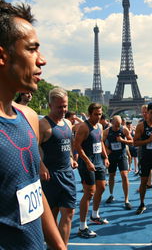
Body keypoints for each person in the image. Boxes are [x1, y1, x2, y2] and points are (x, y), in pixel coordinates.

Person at [0, 0, 65, 250]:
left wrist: (59, 245)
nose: (42, 60)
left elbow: (34, 189)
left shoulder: (28, 117)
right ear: (3, 56)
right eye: (32, 49)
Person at [39, 88, 78, 248]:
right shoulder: (43, 125)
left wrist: (70, 157)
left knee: (69, 213)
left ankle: (64, 246)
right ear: (50, 105)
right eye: (59, 107)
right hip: (50, 177)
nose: (63, 110)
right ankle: (52, 246)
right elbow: (31, 147)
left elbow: (68, 144)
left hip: (67, 174)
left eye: (65, 106)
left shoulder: (68, 123)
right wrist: (41, 166)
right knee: (51, 216)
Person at [75, 103, 110, 238]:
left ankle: (95, 215)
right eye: (95, 114)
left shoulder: (100, 126)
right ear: (90, 114)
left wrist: (105, 157)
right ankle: (82, 227)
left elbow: (100, 142)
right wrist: (88, 162)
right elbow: (77, 145)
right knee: (89, 193)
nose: (98, 116)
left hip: (98, 162)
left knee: (101, 188)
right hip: (86, 164)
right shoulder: (84, 127)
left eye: (100, 114)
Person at [103, 115, 133, 209]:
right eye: (116, 125)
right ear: (112, 123)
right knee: (112, 175)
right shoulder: (107, 131)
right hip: (112, 156)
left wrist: (122, 140)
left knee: (124, 175)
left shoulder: (124, 130)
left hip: (121, 155)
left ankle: (126, 199)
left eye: (119, 125)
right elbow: (101, 142)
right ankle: (111, 194)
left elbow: (132, 141)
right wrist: (106, 150)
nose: (117, 127)